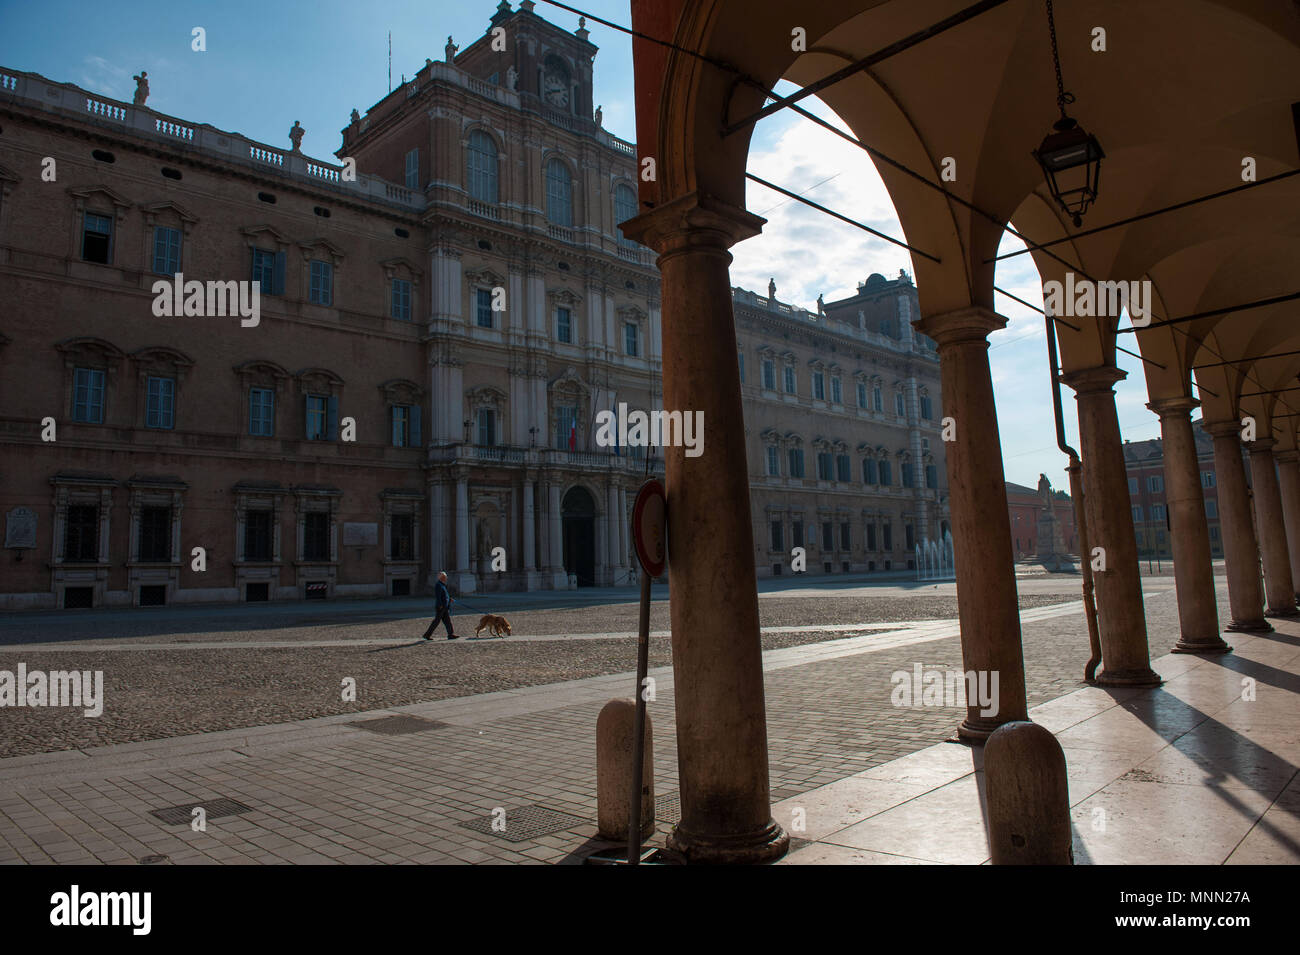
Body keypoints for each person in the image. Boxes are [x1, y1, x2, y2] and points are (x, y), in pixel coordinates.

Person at [422, 571, 459, 640]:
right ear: (442, 578)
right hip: (441, 607)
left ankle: (450, 634)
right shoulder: (438, 585)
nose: (446, 578)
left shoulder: (442, 585)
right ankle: (427, 635)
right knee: (436, 621)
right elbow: (438, 596)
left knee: (447, 621)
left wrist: (449, 599)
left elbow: (445, 595)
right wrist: (440, 605)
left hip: (445, 607)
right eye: (445, 577)